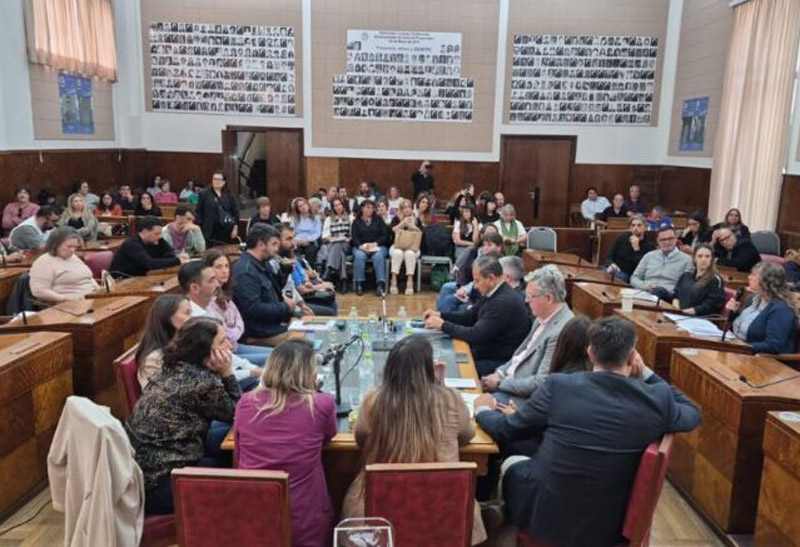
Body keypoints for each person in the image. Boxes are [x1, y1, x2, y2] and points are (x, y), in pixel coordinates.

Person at [474, 316, 701, 547]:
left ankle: (501, 523)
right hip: (609, 529)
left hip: (547, 520)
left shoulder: (559, 385)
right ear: (633, 357)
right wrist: (647, 374)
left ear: (591, 353)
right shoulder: (656, 399)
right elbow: (693, 413)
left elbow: (506, 430)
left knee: (513, 464)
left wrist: (482, 409)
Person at [341, 335, 487, 545]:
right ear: (429, 370)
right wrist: (441, 386)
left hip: (378, 508)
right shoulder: (450, 398)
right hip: (444, 507)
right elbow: (467, 435)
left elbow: (361, 439)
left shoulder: (372, 399)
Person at [126, 317, 242, 515]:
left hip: (144, 471)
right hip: (164, 483)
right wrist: (227, 372)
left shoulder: (173, 367)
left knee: (229, 446)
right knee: (241, 468)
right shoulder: (201, 382)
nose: (230, 345)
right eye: (223, 341)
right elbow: (239, 414)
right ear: (205, 349)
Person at [234, 339, 338, 547]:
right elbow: (329, 435)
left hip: (253, 515)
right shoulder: (321, 403)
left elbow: (238, 451)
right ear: (310, 373)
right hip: (305, 521)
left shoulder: (245, 401)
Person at [480, 265, 574, 406]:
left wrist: (500, 383)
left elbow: (540, 382)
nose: (526, 301)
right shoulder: (541, 318)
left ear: (548, 298)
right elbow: (520, 355)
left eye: (530, 296)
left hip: (519, 400)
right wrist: (499, 373)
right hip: (507, 383)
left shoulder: (561, 330)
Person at [424, 255, 532, 375]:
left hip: (498, 361)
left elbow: (476, 335)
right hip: (485, 352)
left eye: (477, 280)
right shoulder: (491, 292)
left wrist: (443, 325)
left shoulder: (502, 302)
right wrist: (440, 315)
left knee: (446, 369)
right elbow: (468, 317)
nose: (474, 286)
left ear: (491, 278)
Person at [178, 261, 262, 389]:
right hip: (220, 386)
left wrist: (251, 368)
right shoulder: (194, 322)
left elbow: (227, 353)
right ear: (195, 288)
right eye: (211, 280)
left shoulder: (208, 308)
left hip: (231, 369)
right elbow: (214, 371)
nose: (218, 284)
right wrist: (251, 372)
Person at [204, 249, 273, 366]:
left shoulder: (224, 294)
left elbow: (239, 321)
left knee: (276, 353)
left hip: (235, 345)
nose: (225, 271)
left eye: (226, 266)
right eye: (219, 267)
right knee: (275, 358)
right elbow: (221, 329)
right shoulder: (208, 299)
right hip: (225, 352)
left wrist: (234, 333)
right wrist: (232, 334)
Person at [233, 223, 297, 345]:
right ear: (261, 244)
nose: (276, 249)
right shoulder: (245, 271)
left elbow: (274, 291)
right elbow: (253, 309)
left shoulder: (263, 263)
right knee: (302, 340)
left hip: (272, 324)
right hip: (259, 333)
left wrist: (284, 272)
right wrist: (285, 307)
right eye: (273, 244)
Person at [727, 262, 797, 354]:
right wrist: (733, 313)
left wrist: (742, 347)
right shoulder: (753, 299)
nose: (749, 277)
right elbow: (738, 327)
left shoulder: (781, 310)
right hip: (737, 349)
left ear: (766, 281)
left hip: (759, 359)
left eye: (754, 275)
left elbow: (774, 345)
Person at [437, 230, 504, 313]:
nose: (486, 248)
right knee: (447, 290)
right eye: (484, 245)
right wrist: (462, 286)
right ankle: (438, 319)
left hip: (477, 293)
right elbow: (463, 270)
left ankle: (443, 321)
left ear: (499, 247)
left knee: (454, 303)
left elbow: (483, 286)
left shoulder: (499, 262)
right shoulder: (474, 252)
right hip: (469, 286)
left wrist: (468, 294)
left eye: (489, 245)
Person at [135, 294, 192, 389]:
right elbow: (160, 399)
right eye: (187, 313)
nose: (192, 318)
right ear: (168, 318)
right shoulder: (153, 361)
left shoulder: (186, 345)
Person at [29, 227, 98, 305]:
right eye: (69, 246)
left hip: (91, 298)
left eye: (75, 247)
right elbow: (39, 291)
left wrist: (98, 290)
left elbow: (88, 277)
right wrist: (64, 299)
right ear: (56, 245)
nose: (73, 250)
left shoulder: (73, 257)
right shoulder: (43, 262)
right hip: (68, 305)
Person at [280, 225, 338, 316]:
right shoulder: (283, 263)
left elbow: (302, 279)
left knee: (331, 302)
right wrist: (319, 286)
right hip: (291, 302)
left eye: (294, 238)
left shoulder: (294, 258)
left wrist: (308, 280)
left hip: (298, 299)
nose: (294, 244)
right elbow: (299, 290)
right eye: (288, 239)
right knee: (330, 310)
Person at [109, 217, 188, 278]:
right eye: (156, 234)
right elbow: (149, 263)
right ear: (145, 231)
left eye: (160, 233)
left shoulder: (158, 240)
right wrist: (177, 260)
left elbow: (170, 255)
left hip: (143, 278)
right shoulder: (131, 244)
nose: (160, 237)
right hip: (121, 282)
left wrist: (174, 259)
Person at [630, 226, 693, 300]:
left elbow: (685, 287)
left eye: (670, 238)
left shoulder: (686, 260)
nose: (667, 242)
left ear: (676, 239)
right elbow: (634, 278)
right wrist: (645, 286)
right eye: (663, 240)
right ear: (657, 241)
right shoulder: (649, 256)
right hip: (645, 292)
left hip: (668, 296)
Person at [672, 244, 726, 316]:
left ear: (712, 259)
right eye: (700, 256)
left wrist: (692, 311)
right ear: (694, 258)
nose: (703, 259)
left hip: (700, 317)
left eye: (707, 256)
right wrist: (676, 308)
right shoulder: (686, 275)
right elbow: (676, 295)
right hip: (678, 313)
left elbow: (712, 304)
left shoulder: (715, 280)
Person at [351, 200, 390, 296]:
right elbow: (354, 237)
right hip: (362, 247)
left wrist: (376, 243)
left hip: (378, 246)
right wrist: (361, 246)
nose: (370, 210)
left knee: (378, 256)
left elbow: (385, 236)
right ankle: (359, 283)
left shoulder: (379, 220)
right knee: (359, 256)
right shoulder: (356, 222)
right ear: (362, 208)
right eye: (368, 207)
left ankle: (380, 284)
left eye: (372, 207)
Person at [604, 216, 655, 283]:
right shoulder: (622, 238)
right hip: (615, 269)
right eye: (633, 225)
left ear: (645, 227)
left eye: (639, 225)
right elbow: (608, 256)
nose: (635, 228)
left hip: (629, 274)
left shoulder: (649, 245)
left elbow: (642, 268)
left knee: (617, 278)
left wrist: (636, 249)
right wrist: (611, 264)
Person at [388, 199, 422, 295]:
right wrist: (402, 223)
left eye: (409, 207)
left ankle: (410, 281)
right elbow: (391, 231)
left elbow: (421, 233)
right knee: (397, 253)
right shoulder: (396, 219)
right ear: (401, 209)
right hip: (397, 246)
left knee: (409, 254)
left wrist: (413, 226)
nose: (407, 210)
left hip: (413, 247)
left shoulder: (416, 219)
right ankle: (393, 279)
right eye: (404, 208)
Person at [196, 170, 240, 245]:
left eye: (219, 179)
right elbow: (199, 212)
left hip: (225, 229)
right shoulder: (204, 194)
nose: (216, 181)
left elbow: (235, 213)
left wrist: (235, 228)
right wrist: (200, 228)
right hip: (208, 230)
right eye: (214, 179)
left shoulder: (229, 195)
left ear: (224, 182)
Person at [321, 197, 352, 291]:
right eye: (335, 205)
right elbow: (325, 236)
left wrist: (349, 239)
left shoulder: (350, 218)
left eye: (339, 205)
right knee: (338, 249)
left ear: (343, 206)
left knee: (338, 246)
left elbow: (353, 234)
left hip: (347, 244)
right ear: (333, 208)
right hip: (333, 244)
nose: (338, 207)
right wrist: (335, 239)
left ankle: (329, 269)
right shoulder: (328, 219)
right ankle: (343, 279)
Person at [288, 197, 322, 268]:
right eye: (300, 206)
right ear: (298, 209)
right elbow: (293, 233)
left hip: (311, 242)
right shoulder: (295, 219)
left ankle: (310, 272)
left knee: (310, 251)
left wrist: (307, 240)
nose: (303, 207)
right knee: (295, 251)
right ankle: (298, 272)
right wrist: (298, 241)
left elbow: (317, 233)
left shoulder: (316, 218)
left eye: (304, 204)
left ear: (308, 204)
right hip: (298, 242)